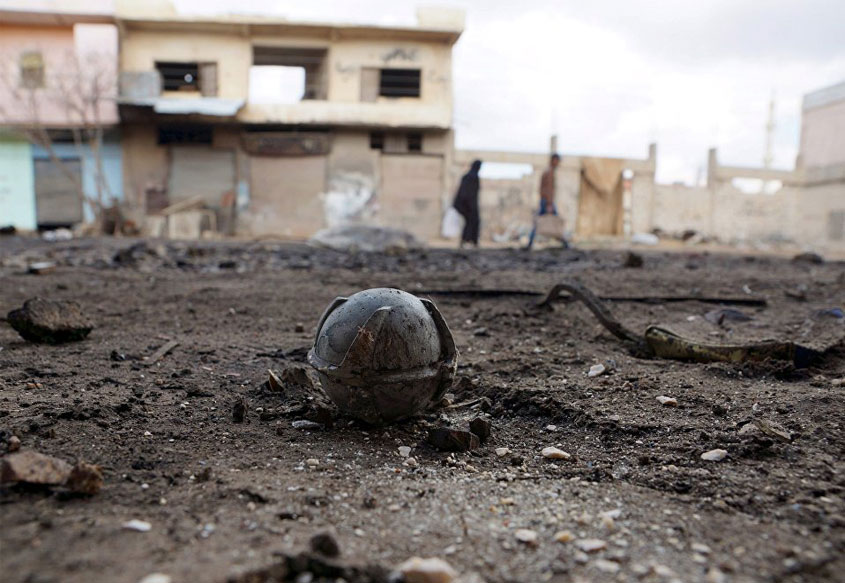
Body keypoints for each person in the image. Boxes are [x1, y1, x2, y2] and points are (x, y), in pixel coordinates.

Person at [526, 153, 565, 250]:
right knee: (552, 221)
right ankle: (564, 242)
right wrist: (549, 203)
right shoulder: (549, 172)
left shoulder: (548, 171)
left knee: (541, 221)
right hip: (547, 201)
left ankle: (564, 242)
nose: (558, 163)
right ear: (553, 160)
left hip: (546, 200)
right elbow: (548, 190)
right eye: (557, 161)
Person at [452, 159, 482, 248]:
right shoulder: (473, 177)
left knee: (470, 222)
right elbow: (468, 194)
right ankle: (470, 240)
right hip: (467, 205)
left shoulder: (467, 176)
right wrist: (471, 206)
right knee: (472, 221)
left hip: (464, 204)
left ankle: (467, 240)